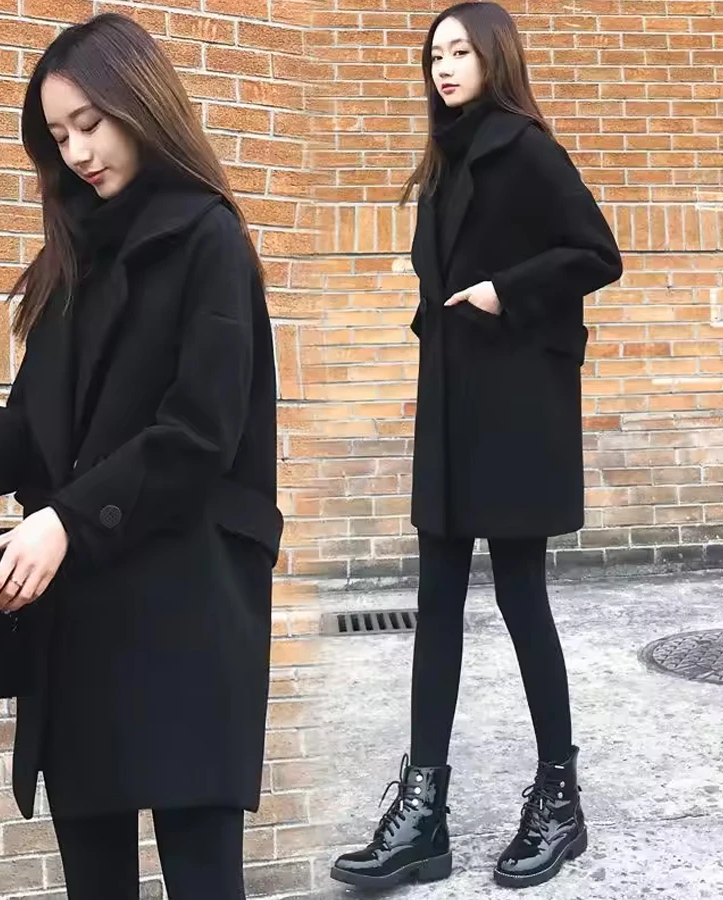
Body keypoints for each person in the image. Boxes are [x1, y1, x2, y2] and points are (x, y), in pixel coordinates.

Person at [0, 13, 281, 900]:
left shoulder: (208, 240)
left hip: (187, 606)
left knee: (203, 877)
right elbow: (52, 426)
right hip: (82, 614)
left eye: (90, 123)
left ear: (141, 105)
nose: (78, 152)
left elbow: (200, 433)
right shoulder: (72, 255)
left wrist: (65, 523)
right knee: (94, 879)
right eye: (58, 136)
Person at [330, 1, 623, 891]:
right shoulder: (444, 159)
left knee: (523, 598)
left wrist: (505, 290)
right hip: (453, 409)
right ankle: (423, 813)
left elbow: (597, 253)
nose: (445, 67)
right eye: (434, 56)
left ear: (495, 57)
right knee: (437, 604)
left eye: (459, 51)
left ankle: (560, 800)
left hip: (517, 411)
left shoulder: (525, 147)